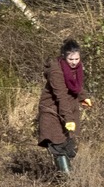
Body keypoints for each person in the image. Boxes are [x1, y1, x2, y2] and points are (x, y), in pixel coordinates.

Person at [37, 38, 93, 177]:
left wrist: (83, 97)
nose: (74, 62)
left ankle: (67, 176)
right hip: (52, 111)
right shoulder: (56, 71)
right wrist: (68, 119)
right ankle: (67, 181)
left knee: (69, 147)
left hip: (68, 110)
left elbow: (76, 86)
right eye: (71, 59)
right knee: (58, 145)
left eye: (77, 59)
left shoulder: (77, 68)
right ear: (64, 57)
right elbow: (61, 95)